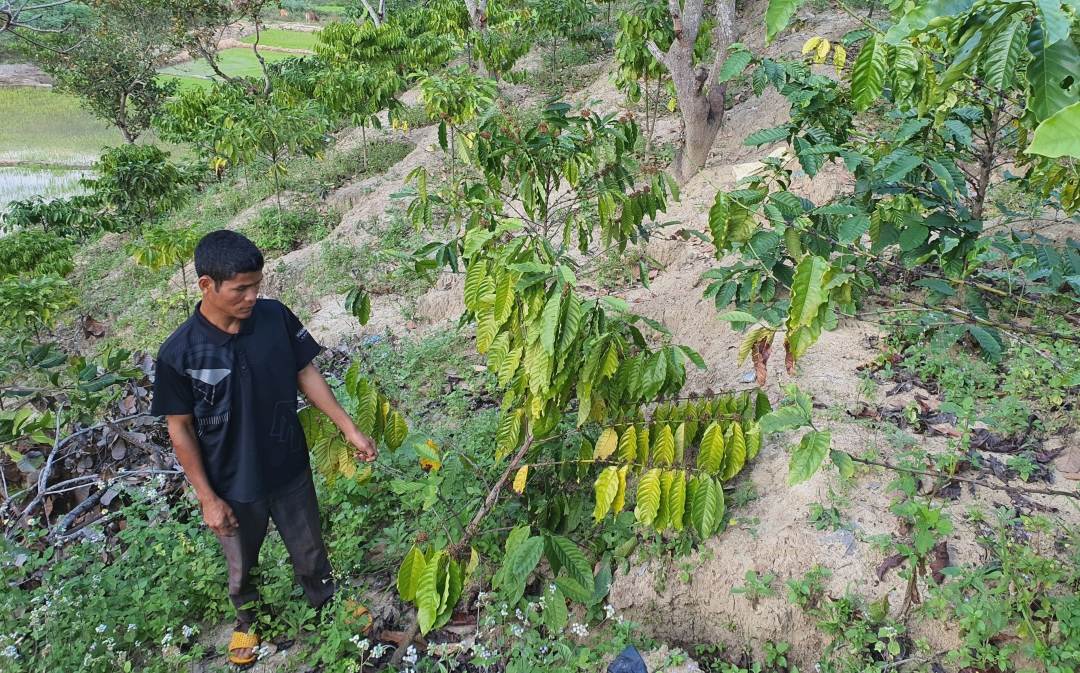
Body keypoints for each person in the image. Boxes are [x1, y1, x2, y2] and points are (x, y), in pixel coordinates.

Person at [151, 230, 377, 666]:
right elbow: (179, 429)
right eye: (241, 288)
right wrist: (207, 498)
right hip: (231, 481)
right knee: (241, 564)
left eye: (257, 285)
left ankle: (325, 600)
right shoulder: (179, 353)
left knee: (310, 547)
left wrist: (348, 427)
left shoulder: (275, 319)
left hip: (288, 464)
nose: (253, 296)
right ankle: (248, 621)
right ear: (206, 286)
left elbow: (305, 372)